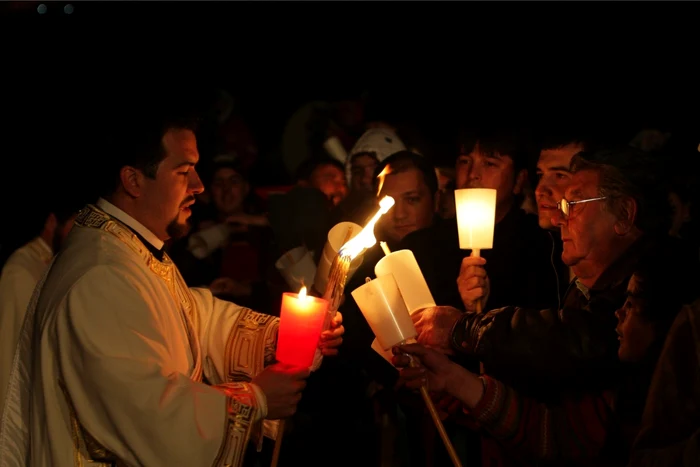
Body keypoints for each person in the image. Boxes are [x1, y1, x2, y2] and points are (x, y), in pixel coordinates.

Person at [0, 100, 344, 467]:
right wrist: (255, 399)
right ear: (133, 180)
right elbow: (144, 413)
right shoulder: (100, 274)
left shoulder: (127, 246)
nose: (199, 186)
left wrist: (281, 335)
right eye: (184, 172)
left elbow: (189, 318)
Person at [392, 240, 698, 466]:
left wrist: (463, 331)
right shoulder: (618, 395)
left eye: (631, 306)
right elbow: (550, 434)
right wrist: (451, 379)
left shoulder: (681, 435)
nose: (617, 313)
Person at [0, 201, 77, 412]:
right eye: (73, 225)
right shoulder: (21, 270)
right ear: (52, 222)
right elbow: (12, 350)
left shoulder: (60, 262)